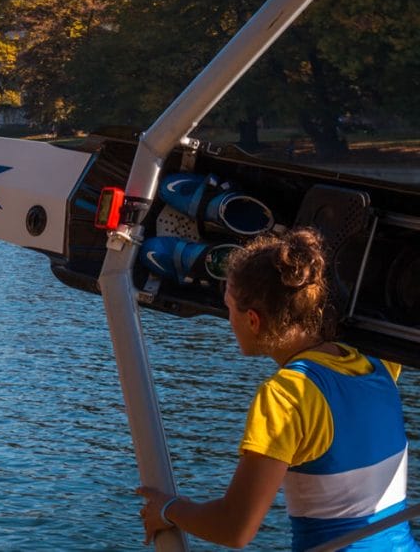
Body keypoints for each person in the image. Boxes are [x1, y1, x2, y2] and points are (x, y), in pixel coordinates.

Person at [137, 228, 417, 551]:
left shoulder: (286, 396)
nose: (228, 319)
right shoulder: (379, 364)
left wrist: (168, 509)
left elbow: (235, 528)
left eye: (229, 307)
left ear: (253, 320)